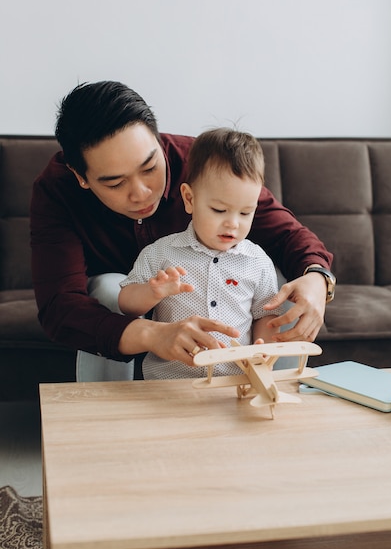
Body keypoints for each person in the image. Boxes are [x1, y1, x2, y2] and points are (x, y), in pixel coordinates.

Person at [30, 81, 334, 382]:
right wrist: (151, 334)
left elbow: (288, 235)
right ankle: (106, 416)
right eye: (115, 183)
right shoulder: (57, 190)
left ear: (157, 140)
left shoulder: (204, 163)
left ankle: (278, 401)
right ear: (80, 176)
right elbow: (60, 307)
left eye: (149, 167)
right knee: (110, 289)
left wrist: (318, 279)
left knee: (285, 286)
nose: (141, 193)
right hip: (124, 306)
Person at [118, 128, 282, 380]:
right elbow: (125, 303)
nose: (233, 224)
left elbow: (265, 315)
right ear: (189, 199)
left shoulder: (257, 262)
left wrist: (264, 349)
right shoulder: (161, 252)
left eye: (245, 212)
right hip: (168, 383)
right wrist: (151, 293)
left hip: (234, 382)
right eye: (219, 210)